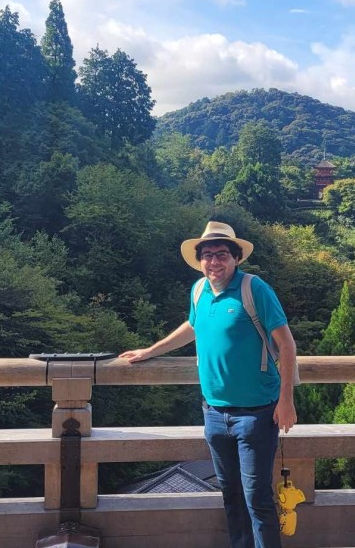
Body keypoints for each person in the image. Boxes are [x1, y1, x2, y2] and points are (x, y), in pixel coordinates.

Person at [120, 220, 297, 548]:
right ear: (199, 260)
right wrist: (150, 351)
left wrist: (286, 400)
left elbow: (286, 344)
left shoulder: (254, 289)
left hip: (257, 413)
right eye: (208, 255)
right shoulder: (199, 290)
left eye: (222, 255)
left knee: (257, 497)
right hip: (214, 412)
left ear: (236, 258)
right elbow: (192, 326)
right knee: (231, 495)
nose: (214, 262)